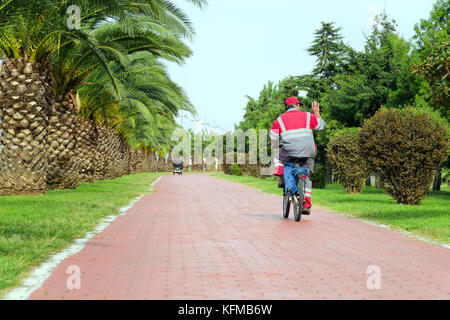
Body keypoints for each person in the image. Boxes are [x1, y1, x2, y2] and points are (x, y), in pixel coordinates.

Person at [270, 97, 326, 215]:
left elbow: (273, 137)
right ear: (297, 105)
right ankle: (306, 204)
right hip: (308, 152)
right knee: (306, 174)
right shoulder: (308, 116)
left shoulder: (279, 120)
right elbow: (322, 126)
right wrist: (316, 113)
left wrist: (276, 148)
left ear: (286, 107)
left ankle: (281, 175)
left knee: (279, 157)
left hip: (289, 152)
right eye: (299, 105)